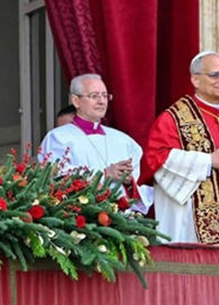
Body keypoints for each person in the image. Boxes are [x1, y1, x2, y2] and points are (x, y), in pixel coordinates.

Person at [141, 51, 219, 248]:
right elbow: (156, 158)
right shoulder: (173, 119)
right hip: (192, 212)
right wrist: (209, 161)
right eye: (215, 75)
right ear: (195, 79)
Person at [41, 74, 150, 211]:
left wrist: (128, 181)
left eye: (105, 96)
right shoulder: (58, 138)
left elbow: (145, 182)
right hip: (78, 223)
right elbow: (55, 179)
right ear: (76, 100)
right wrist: (104, 174)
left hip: (123, 223)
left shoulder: (124, 141)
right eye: (94, 96)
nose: (101, 101)